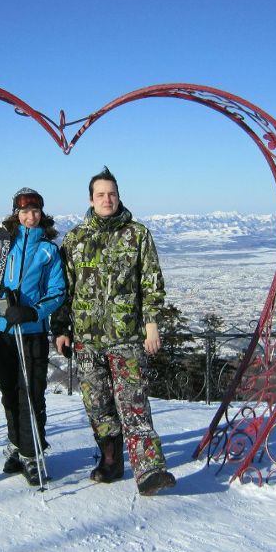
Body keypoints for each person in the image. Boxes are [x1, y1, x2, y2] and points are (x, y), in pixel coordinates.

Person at [52, 167, 176, 496]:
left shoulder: (138, 235)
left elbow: (151, 283)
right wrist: (62, 328)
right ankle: (111, 460)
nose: (107, 199)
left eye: (112, 194)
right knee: (96, 403)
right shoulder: (75, 239)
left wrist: (151, 325)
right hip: (86, 337)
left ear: (119, 197)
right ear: (91, 200)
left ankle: (150, 470)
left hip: (128, 335)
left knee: (134, 403)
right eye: (101, 195)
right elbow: (65, 289)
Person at [0, 187, 65, 487]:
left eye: (35, 211)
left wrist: (32, 312)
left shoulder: (48, 250)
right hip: (1, 334)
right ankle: (17, 446)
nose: (30, 216)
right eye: (24, 211)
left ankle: (33, 453)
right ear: (16, 214)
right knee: (9, 393)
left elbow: (57, 292)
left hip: (31, 334)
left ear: (41, 214)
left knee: (31, 396)